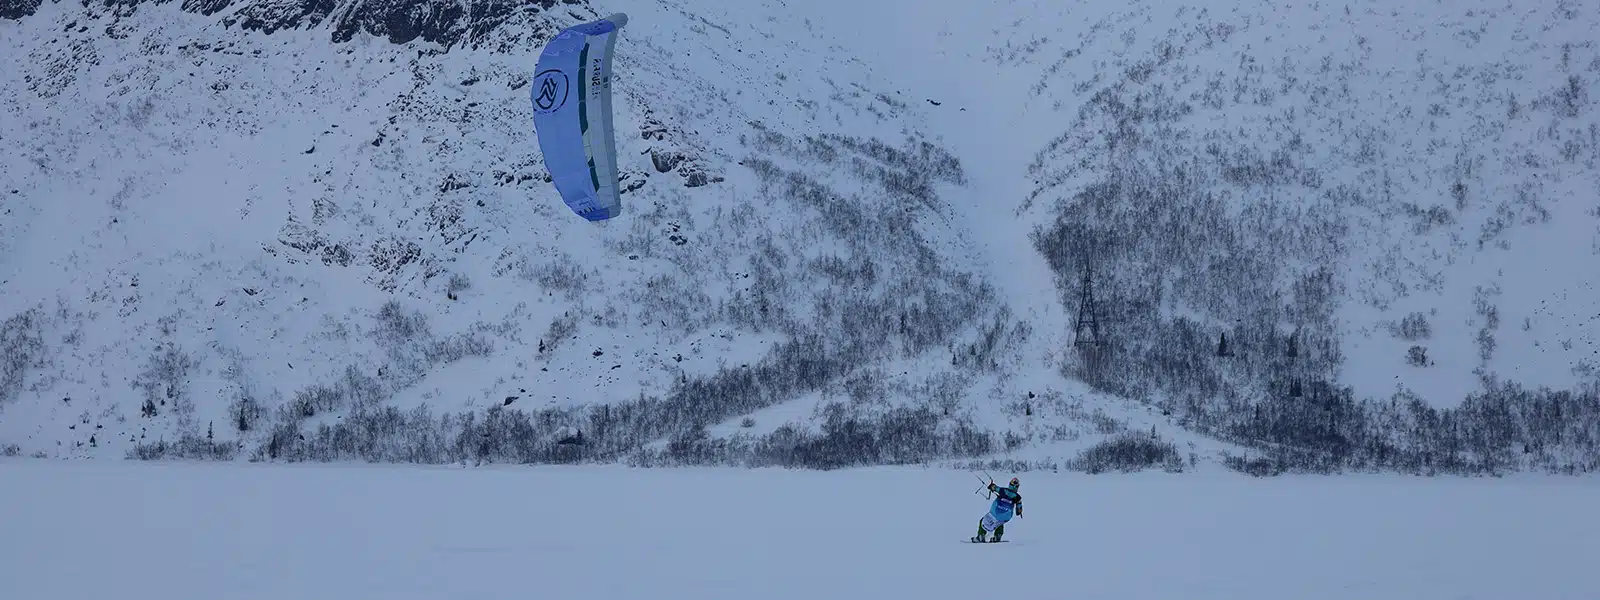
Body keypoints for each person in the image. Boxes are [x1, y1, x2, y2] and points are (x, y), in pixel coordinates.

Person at [972, 477, 1022, 543]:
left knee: (983, 521)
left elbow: (994, 488)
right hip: (1006, 516)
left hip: (995, 513)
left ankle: (980, 536)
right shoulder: (1018, 497)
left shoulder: (1003, 490)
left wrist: (991, 486)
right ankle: (997, 537)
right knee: (1000, 523)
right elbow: (1018, 511)